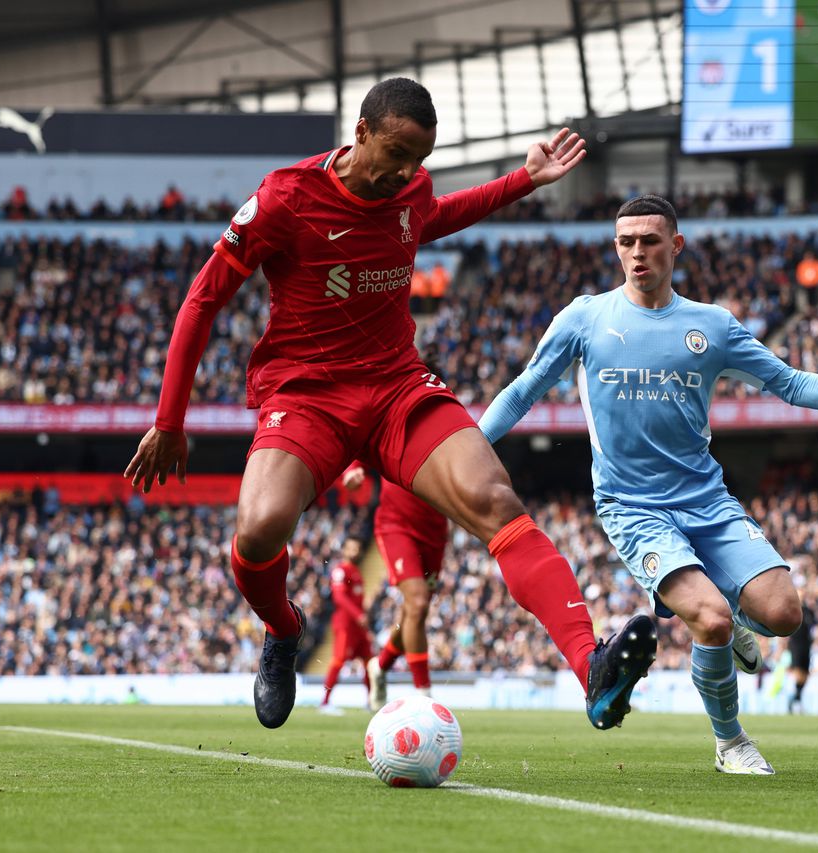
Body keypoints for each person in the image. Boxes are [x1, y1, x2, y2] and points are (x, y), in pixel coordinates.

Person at [124, 77, 655, 732]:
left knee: (494, 497)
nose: (406, 173)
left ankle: (592, 664)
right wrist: (169, 420)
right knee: (259, 530)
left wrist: (523, 180)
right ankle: (284, 628)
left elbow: (433, 216)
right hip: (307, 393)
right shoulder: (285, 198)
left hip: (397, 384)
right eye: (397, 153)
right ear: (362, 132)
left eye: (420, 161)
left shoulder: (410, 189)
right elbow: (204, 298)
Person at [478, 194, 818, 773]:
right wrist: (465, 450)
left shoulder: (711, 325)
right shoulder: (585, 319)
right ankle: (731, 742)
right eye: (626, 242)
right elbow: (522, 391)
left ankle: (725, 619)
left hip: (706, 499)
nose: (637, 253)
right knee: (713, 620)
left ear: (676, 245)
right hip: (631, 505)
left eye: (650, 241)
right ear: (615, 248)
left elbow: (789, 384)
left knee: (784, 615)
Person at [341, 461, 448, 709]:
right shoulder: (394, 421)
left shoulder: (446, 425)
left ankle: (380, 666)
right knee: (418, 602)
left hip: (435, 533)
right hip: (395, 525)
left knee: (414, 612)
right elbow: (364, 433)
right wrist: (353, 468)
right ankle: (425, 696)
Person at [319, 538, 373, 715]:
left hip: (358, 626)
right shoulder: (340, 571)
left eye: (357, 548)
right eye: (351, 548)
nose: (354, 551)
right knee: (338, 660)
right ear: (344, 550)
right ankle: (325, 703)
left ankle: (371, 701)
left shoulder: (355, 570)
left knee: (369, 662)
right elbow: (339, 598)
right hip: (346, 624)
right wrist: (358, 615)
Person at [786, 600, 818, 714]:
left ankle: (796, 697)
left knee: (805, 674)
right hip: (796, 645)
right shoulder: (791, 610)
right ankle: (796, 699)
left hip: (807, 645)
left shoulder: (809, 611)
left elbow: (815, 626)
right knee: (798, 672)